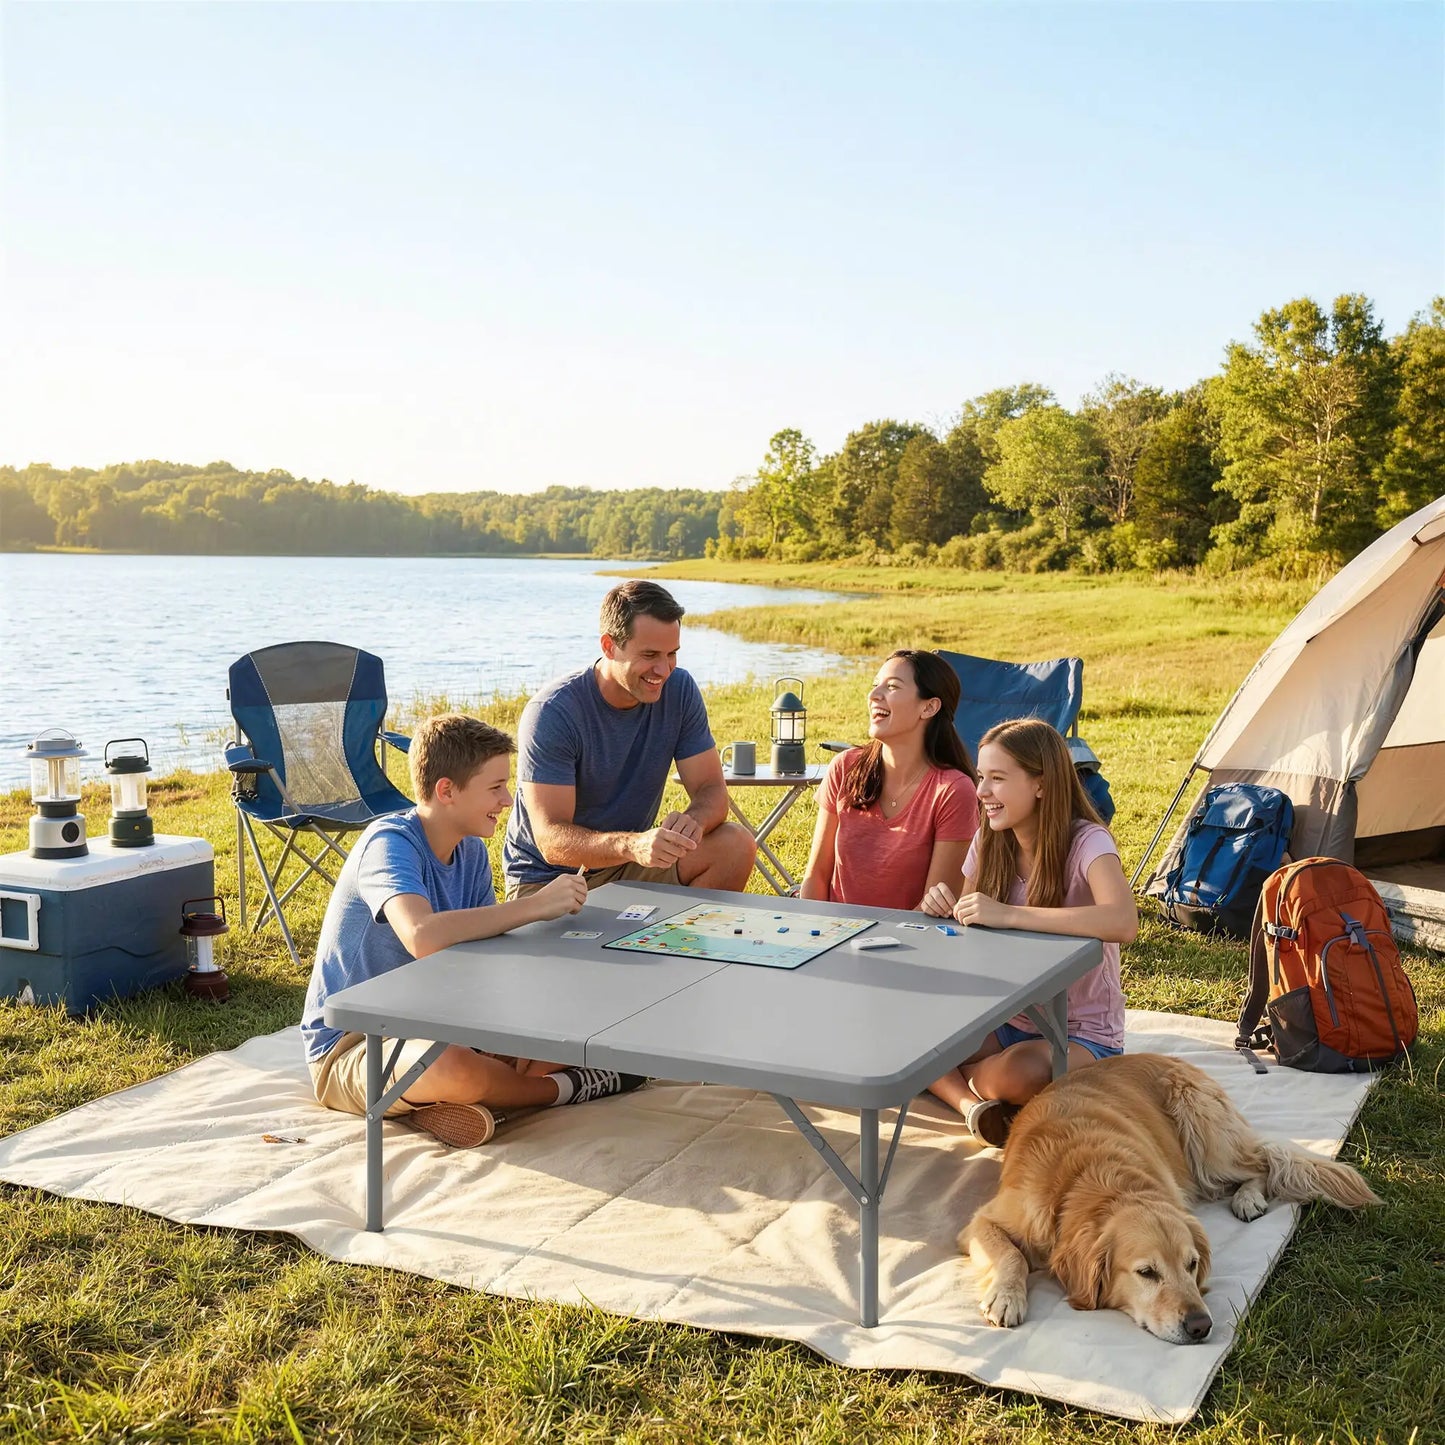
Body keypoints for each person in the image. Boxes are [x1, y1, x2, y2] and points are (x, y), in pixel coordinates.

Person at [302, 713, 646, 1150]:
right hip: (353, 1045)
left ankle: (459, 1104)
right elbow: (422, 935)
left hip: (439, 1022)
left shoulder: (470, 853)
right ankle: (563, 1091)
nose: (507, 800)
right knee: (450, 1067)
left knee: (570, 1025)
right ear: (447, 791)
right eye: (495, 787)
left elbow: (482, 963)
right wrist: (533, 907)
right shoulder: (388, 844)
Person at [919, 717, 1138, 1146]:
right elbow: (970, 928)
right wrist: (942, 912)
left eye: (997, 779)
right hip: (1006, 1020)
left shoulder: (1088, 841)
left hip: (1080, 1033)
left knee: (1025, 1072)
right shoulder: (989, 841)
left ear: (1041, 783)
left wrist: (1011, 914)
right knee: (912, 1036)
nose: (981, 792)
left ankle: (952, 1084)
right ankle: (972, 1107)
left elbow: (1122, 921)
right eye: (981, 777)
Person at [503, 579, 756, 899]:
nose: (663, 670)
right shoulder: (553, 712)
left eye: (672, 654)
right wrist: (632, 845)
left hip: (625, 867)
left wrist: (693, 822)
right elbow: (552, 841)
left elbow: (711, 791)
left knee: (734, 845)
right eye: (650, 655)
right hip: (548, 882)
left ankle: (674, 943)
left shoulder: (679, 690)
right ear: (609, 646)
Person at [798, 650, 978, 911]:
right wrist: (812, 929)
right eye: (875, 685)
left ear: (928, 707)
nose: (873, 696)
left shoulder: (952, 790)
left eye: (892, 686)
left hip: (908, 943)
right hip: (831, 934)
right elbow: (816, 876)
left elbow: (934, 907)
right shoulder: (845, 767)